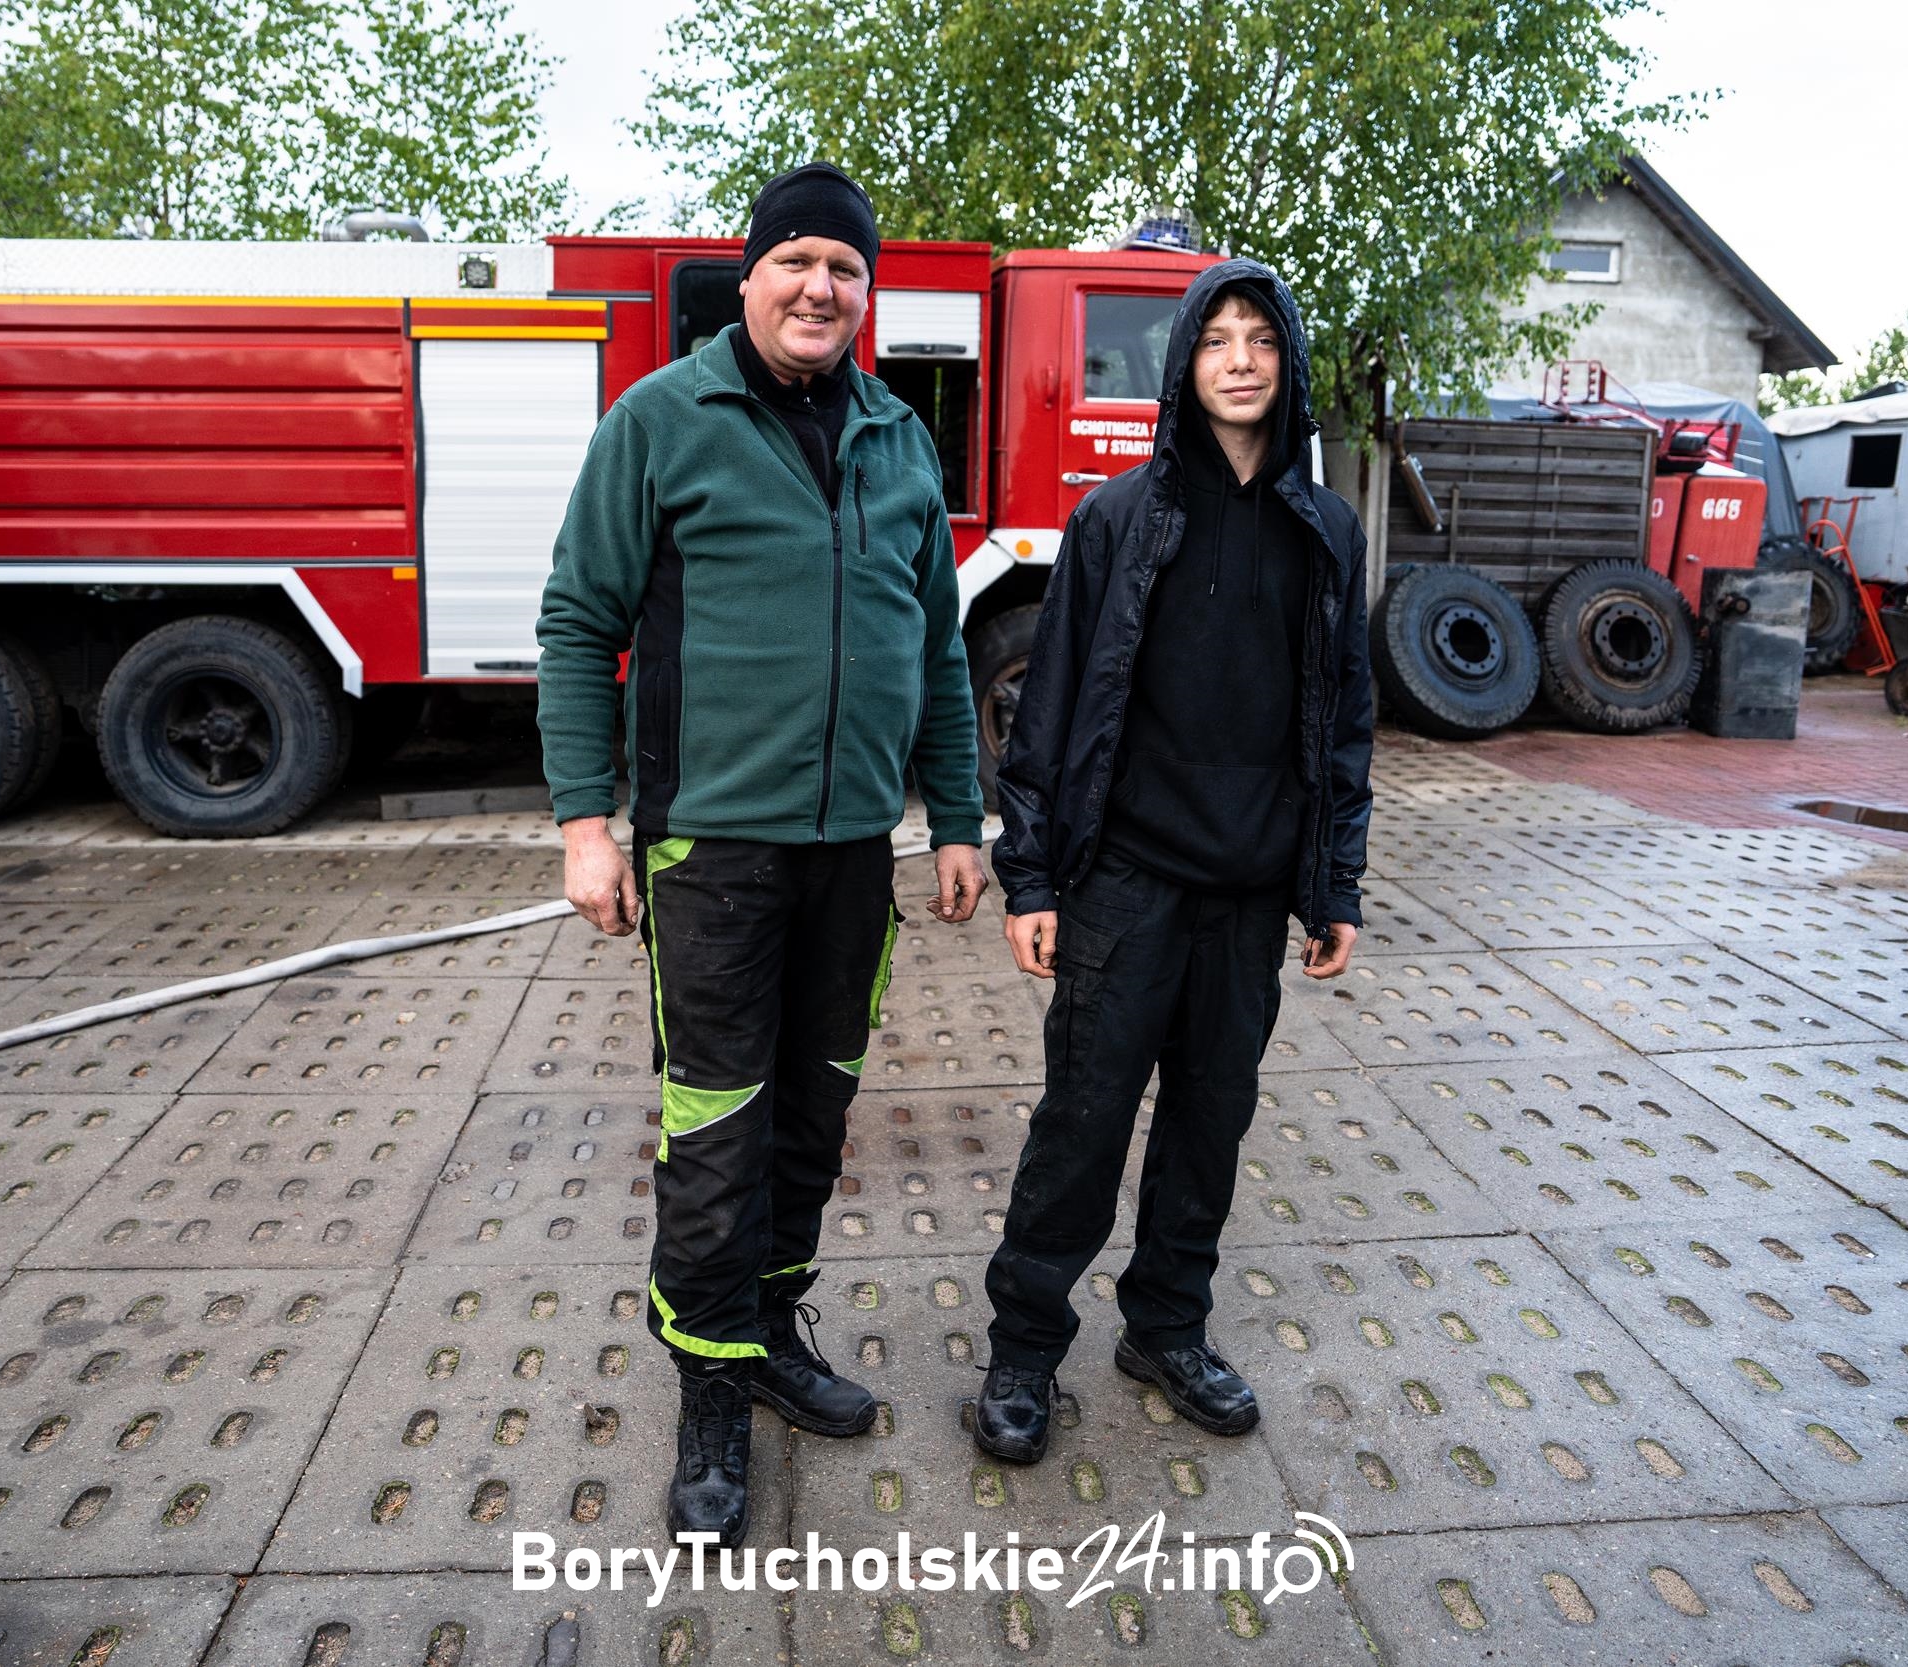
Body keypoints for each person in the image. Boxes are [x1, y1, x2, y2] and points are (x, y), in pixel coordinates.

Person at [535, 161, 988, 1546]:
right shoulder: (661, 421)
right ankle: (714, 1390)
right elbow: (574, 622)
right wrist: (584, 824)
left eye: (845, 270)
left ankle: (774, 1328)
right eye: (796, 262)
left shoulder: (898, 441)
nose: (820, 289)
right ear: (750, 279)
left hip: (854, 851)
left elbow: (938, 648)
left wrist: (958, 817)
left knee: (812, 1114)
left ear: (868, 293)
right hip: (710, 854)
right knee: (715, 1133)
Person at [974, 259, 1374, 1463]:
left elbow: (1343, 714)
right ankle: (1024, 1346)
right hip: (1123, 886)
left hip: (1248, 895)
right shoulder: (1117, 518)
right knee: (1083, 1124)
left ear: (1288, 362)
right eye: (1217, 338)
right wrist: (1031, 874)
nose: (1240, 357)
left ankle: (1166, 1325)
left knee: (1209, 1126)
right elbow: (1050, 707)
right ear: (1184, 363)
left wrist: (1333, 879)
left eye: (1261, 336)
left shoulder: (1325, 531)